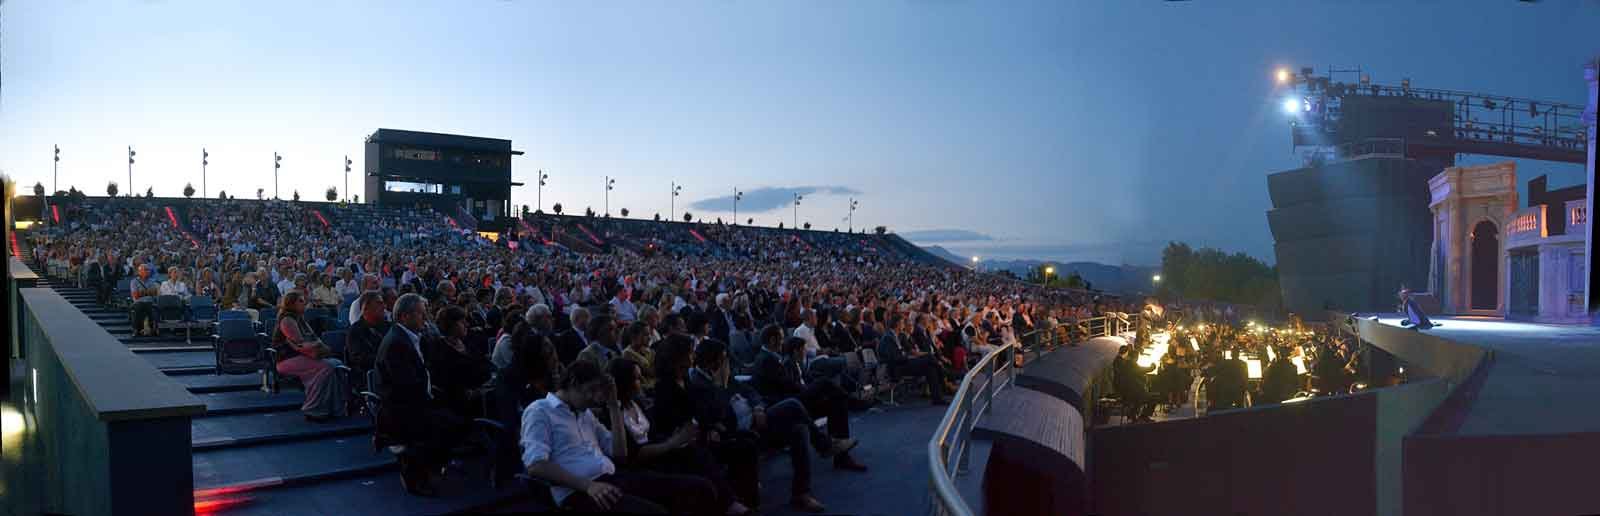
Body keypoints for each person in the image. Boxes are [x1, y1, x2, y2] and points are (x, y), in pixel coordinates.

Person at [520, 359, 719, 513]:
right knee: (656, 511)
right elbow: (536, 465)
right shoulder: (540, 411)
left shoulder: (584, 413)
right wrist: (588, 486)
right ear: (573, 383)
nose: (594, 398)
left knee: (699, 488)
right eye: (590, 391)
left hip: (613, 478)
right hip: (578, 491)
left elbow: (620, 453)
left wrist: (614, 406)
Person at [605, 358, 750, 515]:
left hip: (662, 451)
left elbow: (654, 433)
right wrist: (673, 442)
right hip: (645, 465)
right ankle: (729, 504)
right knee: (699, 479)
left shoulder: (637, 403)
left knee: (701, 452)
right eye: (636, 378)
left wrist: (678, 437)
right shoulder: (612, 415)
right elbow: (633, 455)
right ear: (624, 383)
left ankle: (733, 502)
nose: (642, 381)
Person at [376, 293, 468, 496]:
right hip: (400, 408)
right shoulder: (396, 343)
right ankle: (415, 476)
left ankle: (431, 466)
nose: (425, 319)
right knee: (443, 423)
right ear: (404, 317)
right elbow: (405, 386)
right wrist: (431, 401)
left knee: (458, 417)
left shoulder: (411, 337)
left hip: (416, 399)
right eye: (420, 315)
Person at [752, 336, 868, 471]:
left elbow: (803, 379)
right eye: (803, 349)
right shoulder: (775, 361)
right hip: (790, 403)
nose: (805, 352)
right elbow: (786, 386)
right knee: (824, 382)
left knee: (836, 403)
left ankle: (842, 457)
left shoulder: (791, 362)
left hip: (799, 399)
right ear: (796, 351)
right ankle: (854, 402)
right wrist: (811, 390)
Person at [270, 291, 348, 422]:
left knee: (336, 364)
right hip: (287, 359)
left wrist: (320, 347)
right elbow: (301, 346)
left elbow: (314, 340)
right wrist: (319, 348)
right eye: (300, 301)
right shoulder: (287, 320)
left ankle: (333, 407)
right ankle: (313, 408)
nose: (304, 303)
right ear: (291, 304)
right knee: (326, 367)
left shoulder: (300, 318)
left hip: (303, 355)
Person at [428, 305, 495, 418]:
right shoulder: (438, 349)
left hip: (484, 390)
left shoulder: (468, 341)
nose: (467, 325)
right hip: (463, 404)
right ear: (450, 325)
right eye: (462, 322)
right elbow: (450, 383)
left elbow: (485, 364)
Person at [876, 314, 946, 404]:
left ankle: (937, 399)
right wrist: (909, 357)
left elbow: (908, 350)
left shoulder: (899, 335)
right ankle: (943, 374)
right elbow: (894, 358)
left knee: (930, 368)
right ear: (897, 324)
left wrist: (911, 356)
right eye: (902, 323)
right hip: (895, 368)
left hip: (904, 364)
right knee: (929, 358)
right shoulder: (888, 338)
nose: (904, 325)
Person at [346, 291, 389, 390]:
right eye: (379, 303)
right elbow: (360, 360)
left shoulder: (387, 326)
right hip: (370, 378)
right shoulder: (355, 332)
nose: (384, 307)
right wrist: (386, 359)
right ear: (366, 308)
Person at [1112, 344, 1156, 422]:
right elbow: (1141, 370)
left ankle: (1133, 414)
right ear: (1135, 357)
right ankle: (1143, 415)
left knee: (1141, 398)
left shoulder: (1125, 363)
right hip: (1131, 392)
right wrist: (1152, 367)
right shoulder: (1131, 364)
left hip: (1127, 390)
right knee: (1152, 399)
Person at [620, 321, 657, 393]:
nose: (649, 337)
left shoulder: (649, 350)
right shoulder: (627, 354)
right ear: (634, 336)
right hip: (643, 391)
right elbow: (651, 372)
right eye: (645, 335)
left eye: (649, 334)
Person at [130, 264, 160, 336]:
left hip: (150, 302)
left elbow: (155, 292)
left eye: (148, 270)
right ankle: (136, 329)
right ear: (140, 272)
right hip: (138, 302)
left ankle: (153, 329)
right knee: (138, 307)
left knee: (152, 307)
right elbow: (135, 295)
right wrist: (148, 292)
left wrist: (142, 292)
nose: (148, 271)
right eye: (146, 270)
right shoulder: (134, 281)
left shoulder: (152, 281)